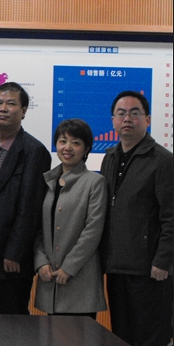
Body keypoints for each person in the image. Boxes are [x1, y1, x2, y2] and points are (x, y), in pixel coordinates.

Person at [100, 91, 173, 346]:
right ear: (113, 120)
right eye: (121, 113)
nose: (127, 118)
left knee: (150, 344)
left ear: (148, 119)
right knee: (122, 341)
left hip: (150, 270)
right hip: (117, 266)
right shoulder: (110, 157)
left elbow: (170, 217)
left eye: (134, 113)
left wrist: (163, 260)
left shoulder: (163, 160)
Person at [0, 82, 51, 315]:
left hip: (11, 258)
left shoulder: (34, 151)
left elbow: (30, 208)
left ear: (23, 111)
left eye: (11, 104)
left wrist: (15, 252)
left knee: (12, 322)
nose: (3, 108)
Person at [33, 119, 107, 317]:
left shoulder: (95, 182)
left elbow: (93, 231)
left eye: (75, 143)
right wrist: (41, 262)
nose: (67, 147)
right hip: (50, 280)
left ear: (86, 148)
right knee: (49, 336)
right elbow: (38, 228)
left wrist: (69, 267)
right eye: (63, 141)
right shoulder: (48, 181)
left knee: (80, 336)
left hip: (80, 280)